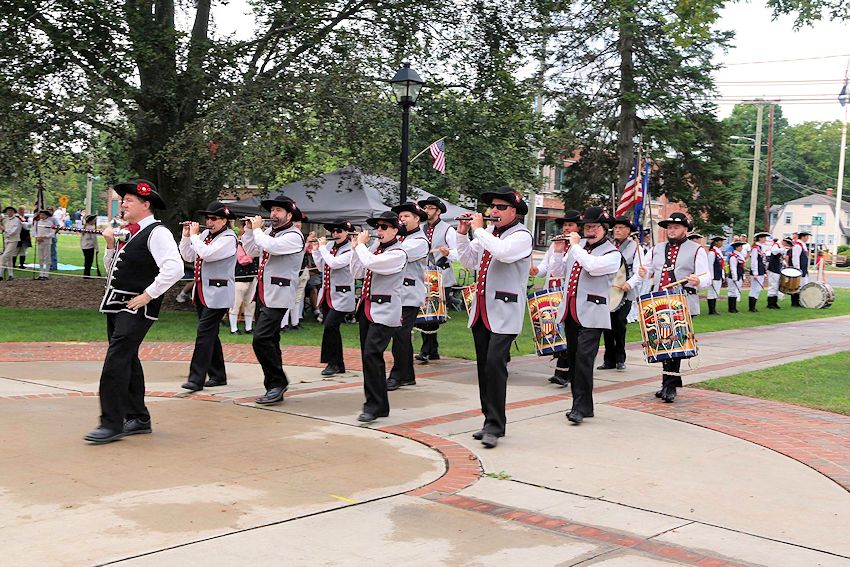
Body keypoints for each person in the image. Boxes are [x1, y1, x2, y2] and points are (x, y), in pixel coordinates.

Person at [84, 179, 183, 444]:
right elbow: (114, 270)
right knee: (127, 359)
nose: (123, 204)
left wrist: (149, 294)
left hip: (136, 306)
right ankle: (138, 417)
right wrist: (108, 245)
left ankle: (111, 423)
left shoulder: (157, 233)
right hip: (116, 303)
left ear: (145, 204)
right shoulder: (128, 230)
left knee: (116, 361)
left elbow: (175, 268)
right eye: (122, 200)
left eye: (128, 201)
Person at [457, 186, 533, 448]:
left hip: (505, 312)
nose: (493, 212)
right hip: (482, 311)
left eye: (500, 207)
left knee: (494, 365)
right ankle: (488, 418)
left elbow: (503, 253)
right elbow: (467, 261)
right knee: (483, 368)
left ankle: (496, 425)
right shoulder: (488, 233)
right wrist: (462, 234)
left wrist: (478, 230)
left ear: (514, 211)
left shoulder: (521, 236)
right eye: (493, 207)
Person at [549, 207, 621, 424]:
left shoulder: (612, 253)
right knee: (573, 358)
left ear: (605, 229)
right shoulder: (577, 248)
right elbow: (559, 271)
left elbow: (592, 266)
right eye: (587, 227)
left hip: (593, 312)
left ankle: (578, 407)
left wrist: (574, 246)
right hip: (571, 310)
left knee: (583, 360)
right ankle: (585, 405)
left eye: (594, 227)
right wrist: (559, 251)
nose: (590, 231)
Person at [637, 212, 710, 403]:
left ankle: (669, 386)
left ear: (685, 229)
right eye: (669, 227)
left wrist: (698, 280)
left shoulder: (696, 250)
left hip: (682, 301)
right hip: (660, 302)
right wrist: (643, 272)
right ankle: (668, 382)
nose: (672, 230)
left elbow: (706, 277)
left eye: (676, 227)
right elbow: (647, 270)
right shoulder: (657, 249)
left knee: (675, 343)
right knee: (662, 343)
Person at [241, 196, 306, 405]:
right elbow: (251, 251)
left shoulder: (294, 236)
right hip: (263, 293)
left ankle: (277, 382)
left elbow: (272, 247)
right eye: (272, 211)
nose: (273, 215)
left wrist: (258, 231)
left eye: (278, 211)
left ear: (289, 215)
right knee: (270, 340)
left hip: (278, 295)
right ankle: (274, 385)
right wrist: (250, 231)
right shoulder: (269, 232)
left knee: (260, 339)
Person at [349, 211, 407, 423]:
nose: (379, 231)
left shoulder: (398, 253)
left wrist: (362, 247)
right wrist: (355, 249)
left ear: (394, 229)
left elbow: (372, 263)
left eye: (384, 227)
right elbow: (357, 272)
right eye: (377, 227)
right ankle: (379, 404)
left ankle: (373, 406)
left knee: (371, 355)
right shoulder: (374, 249)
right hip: (368, 309)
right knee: (369, 358)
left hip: (385, 311)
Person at [178, 201, 238, 391]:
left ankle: (196, 378)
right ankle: (218, 375)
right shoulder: (204, 235)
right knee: (211, 334)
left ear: (224, 221)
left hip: (219, 294)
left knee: (204, 334)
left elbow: (207, 254)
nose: (209, 222)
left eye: (213, 218)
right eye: (207, 218)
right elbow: (188, 256)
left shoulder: (229, 238)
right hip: (202, 292)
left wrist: (195, 236)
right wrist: (187, 237)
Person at [534, 210, 582, 386]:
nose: (566, 228)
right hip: (552, 294)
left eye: (570, 225)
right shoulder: (555, 244)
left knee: (567, 335)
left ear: (578, 228)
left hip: (567, 294)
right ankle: (561, 372)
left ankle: (565, 374)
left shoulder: (580, 247)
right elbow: (547, 268)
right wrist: (536, 271)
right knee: (557, 333)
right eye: (565, 225)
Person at [387, 202, 429, 391]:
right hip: (397, 294)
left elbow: (397, 255)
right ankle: (407, 375)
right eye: (400, 216)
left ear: (417, 218)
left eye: (406, 216)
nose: (402, 219)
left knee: (400, 334)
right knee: (400, 335)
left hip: (409, 294)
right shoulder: (400, 239)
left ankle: (397, 375)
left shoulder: (420, 241)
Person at [416, 196, 458, 363]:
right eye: (425, 208)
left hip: (442, 276)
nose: (427, 211)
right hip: (424, 275)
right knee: (424, 312)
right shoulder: (420, 228)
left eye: (430, 208)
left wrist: (448, 254)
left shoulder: (448, 230)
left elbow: (458, 252)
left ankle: (427, 350)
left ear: (438, 211)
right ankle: (431, 350)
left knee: (431, 312)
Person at [311, 218, 355, 376]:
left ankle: (332, 363)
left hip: (342, 295)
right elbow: (323, 266)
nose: (335, 234)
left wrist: (322, 249)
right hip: (328, 293)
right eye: (333, 231)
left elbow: (335, 263)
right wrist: (316, 250)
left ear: (347, 232)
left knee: (330, 326)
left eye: (339, 231)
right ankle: (338, 363)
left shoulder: (351, 249)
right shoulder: (329, 246)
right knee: (332, 328)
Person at [598, 215, 639, 372]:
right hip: (609, 291)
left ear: (628, 231)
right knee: (607, 325)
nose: (617, 230)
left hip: (626, 292)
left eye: (621, 228)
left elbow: (639, 272)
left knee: (620, 324)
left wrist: (630, 283)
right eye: (615, 228)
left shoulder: (636, 248)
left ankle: (620, 358)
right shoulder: (608, 246)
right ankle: (608, 360)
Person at [229, 222, 259, 334]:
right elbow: (243, 259)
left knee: (250, 303)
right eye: (245, 227)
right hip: (239, 277)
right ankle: (233, 328)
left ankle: (248, 327)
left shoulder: (255, 242)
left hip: (252, 277)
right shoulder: (237, 243)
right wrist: (252, 256)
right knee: (236, 303)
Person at [748, 232, 769, 312]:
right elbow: (754, 261)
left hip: (761, 270)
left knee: (758, 289)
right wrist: (755, 272)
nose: (765, 239)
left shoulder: (761, 247)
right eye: (764, 238)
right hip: (757, 271)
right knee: (755, 289)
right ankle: (751, 307)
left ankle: (753, 306)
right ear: (759, 238)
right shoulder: (755, 248)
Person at [789, 231, 811, 307]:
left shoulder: (802, 245)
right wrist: (797, 269)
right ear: (803, 237)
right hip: (799, 269)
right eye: (807, 236)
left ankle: (800, 301)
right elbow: (795, 258)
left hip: (803, 268)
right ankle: (795, 302)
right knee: (797, 285)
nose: (807, 238)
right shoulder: (797, 245)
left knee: (802, 285)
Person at [766, 237, 788, 309]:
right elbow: (774, 251)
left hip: (777, 268)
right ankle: (770, 303)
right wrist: (782, 249)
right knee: (773, 286)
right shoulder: (776, 245)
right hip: (773, 269)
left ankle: (774, 302)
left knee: (776, 286)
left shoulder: (780, 247)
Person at [705, 236, 726, 315]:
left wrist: (723, 275)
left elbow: (721, 265)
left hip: (718, 274)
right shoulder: (712, 252)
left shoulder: (718, 252)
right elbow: (710, 266)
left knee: (716, 292)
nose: (721, 243)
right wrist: (711, 277)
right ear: (716, 242)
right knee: (711, 292)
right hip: (714, 275)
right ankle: (711, 310)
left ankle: (714, 309)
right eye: (720, 241)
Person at [32, 210, 54, 280]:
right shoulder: (37, 222)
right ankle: (41, 273)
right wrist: (37, 237)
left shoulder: (50, 223)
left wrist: (44, 236)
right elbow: (33, 231)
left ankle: (46, 274)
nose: (41, 216)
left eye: (43, 215)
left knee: (47, 257)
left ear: (47, 216)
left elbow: (52, 233)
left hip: (47, 242)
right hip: (39, 242)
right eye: (40, 215)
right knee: (40, 257)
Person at [1, 206, 22, 281]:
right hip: (6, 240)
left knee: (4, 256)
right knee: (9, 258)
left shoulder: (16, 220)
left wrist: (4, 228)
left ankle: (0, 274)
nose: (9, 212)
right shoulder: (5, 220)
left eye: (11, 210)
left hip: (14, 240)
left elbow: (13, 231)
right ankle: (11, 275)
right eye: (8, 211)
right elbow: (2, 229)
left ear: (13, 212)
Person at [726, 241, 745, 313]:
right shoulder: (733, 257)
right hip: (734, 277)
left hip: (739, 275)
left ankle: (734, 307)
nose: (741, 248)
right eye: (740, 246)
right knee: (732, 291)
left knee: (735, 292)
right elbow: (733, 268)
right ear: (736, 247)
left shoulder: (740, 256)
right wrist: (735, 277)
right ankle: (731, 308)